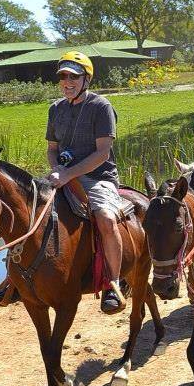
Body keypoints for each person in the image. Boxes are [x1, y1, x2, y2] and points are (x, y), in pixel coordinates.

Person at [45, 51, 129, 314]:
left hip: (97, 177)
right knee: (27, 208)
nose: (67, 81)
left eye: (74, 76)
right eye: (63, 77)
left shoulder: (101, 106)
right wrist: (57, 169)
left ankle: (113, 282)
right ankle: (17, 277)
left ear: (86, 79)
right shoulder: (55, 108)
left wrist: (69, 174)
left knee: (104, 217)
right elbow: (51, 148)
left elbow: (102, 152)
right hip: (62, 174)